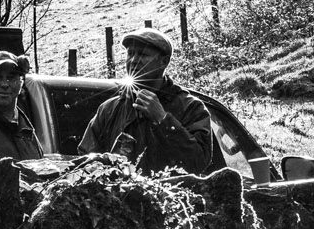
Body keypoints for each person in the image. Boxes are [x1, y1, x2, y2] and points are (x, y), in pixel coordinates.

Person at [78, 28, 213, 174]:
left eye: (143, 54)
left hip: (169, 195)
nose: (134, 60)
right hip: (118, 196)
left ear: (164, 61)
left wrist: (163, 120)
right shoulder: (109, 109)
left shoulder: (191, 107)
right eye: (130, 53)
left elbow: (198, 162)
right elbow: (86, 161)